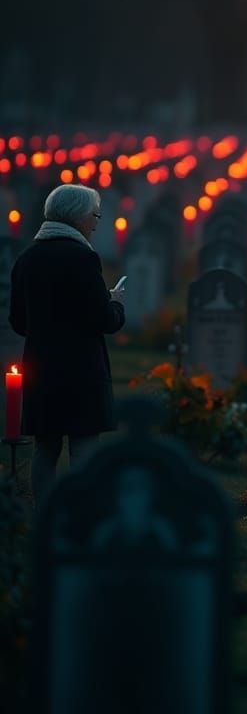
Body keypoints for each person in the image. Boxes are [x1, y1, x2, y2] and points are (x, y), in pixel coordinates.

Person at [8, 183, 126, 501]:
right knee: (84, 446)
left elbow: (18, 322)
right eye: (94, 215)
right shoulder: (83, 259)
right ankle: (80, 511)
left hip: (40, 369)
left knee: (45, 448)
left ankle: (44, 514)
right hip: (81, 371)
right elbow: (103, 320)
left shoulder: (28, 258)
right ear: (76, 217)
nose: (97, 221)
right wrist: (114, 303)